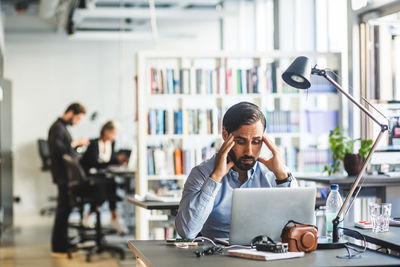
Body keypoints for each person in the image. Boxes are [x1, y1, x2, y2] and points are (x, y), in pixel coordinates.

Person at [175, 101, 296, 239]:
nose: (249, 151)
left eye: (256, 141)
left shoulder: (275, 173)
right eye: (241, 141)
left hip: (267, 254)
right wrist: (215, 178)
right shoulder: (202, 173)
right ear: (225, 135)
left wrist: (282, 177)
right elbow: (186, 231)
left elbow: (300, 227)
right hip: (217, 256)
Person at [48, 103, 90, 255]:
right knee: (62, 210)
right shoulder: (57, 128)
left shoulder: (62, 128)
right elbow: (60, 151)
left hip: (65, 175)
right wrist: (76, 143)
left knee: (65, 210)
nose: (77, 121)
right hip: (63, 175)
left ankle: (63, 242)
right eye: (77, 118)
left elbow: (67, 149)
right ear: (71, 112)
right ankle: (58, 246)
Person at [80, 120, 128, 234]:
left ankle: (97, 215)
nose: (114, 136)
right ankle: (113, 217)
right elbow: (95, 163)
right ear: (106, 132)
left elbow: (110, 160)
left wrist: (119, 161)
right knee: (107, 186)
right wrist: (116, 160)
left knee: (110, 183)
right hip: (90, 177)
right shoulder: (93, 144)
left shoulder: (112, 143)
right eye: (113, 133)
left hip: (103, 177)